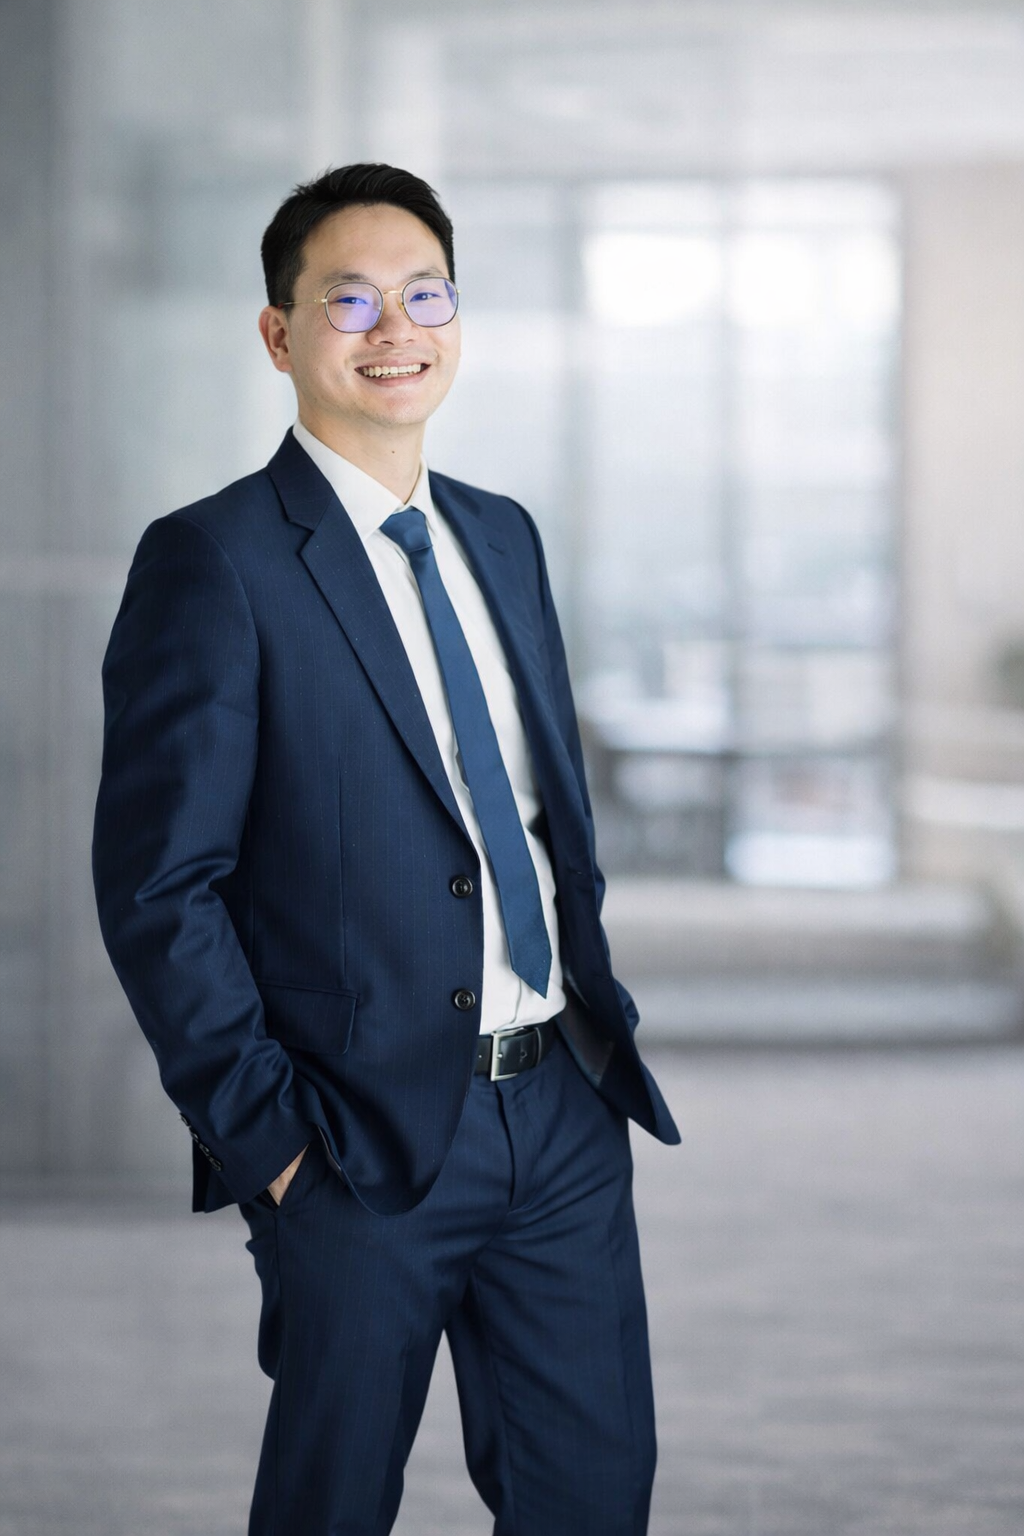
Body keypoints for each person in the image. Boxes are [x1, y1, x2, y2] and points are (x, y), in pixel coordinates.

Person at [92, 162, 680, 1536]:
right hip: (352, 1143)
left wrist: (585, 1063)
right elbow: (160, 886)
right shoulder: (215, 562)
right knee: (333, 1506)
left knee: (594, 1499)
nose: (394, 329)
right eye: (349, 299)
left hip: (558, 1112)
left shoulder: (503, 536)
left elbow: (532, 820)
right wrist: (271, 1145)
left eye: (427, 295)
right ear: (279, 333)